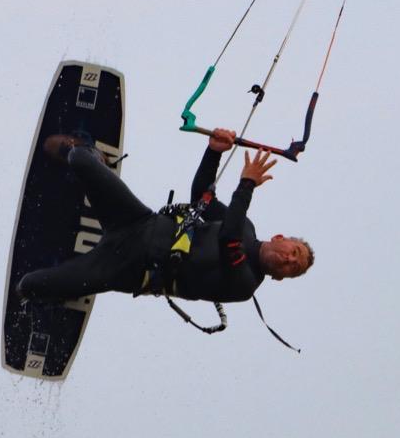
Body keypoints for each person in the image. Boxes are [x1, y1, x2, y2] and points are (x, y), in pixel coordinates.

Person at [17, 128, 313, 305]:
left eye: (292, 268)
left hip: (126, 270)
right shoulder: (246, 226)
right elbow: (201, 196)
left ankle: (51, 298)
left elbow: (229, 242)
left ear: (278, 278)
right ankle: (97, 157)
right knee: (80, 157)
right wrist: (213, 152)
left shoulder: (245, 284)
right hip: (137, 223)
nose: (289, 260)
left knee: (29, 286)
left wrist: (246, 184)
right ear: (280, 238)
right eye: (294, 252)